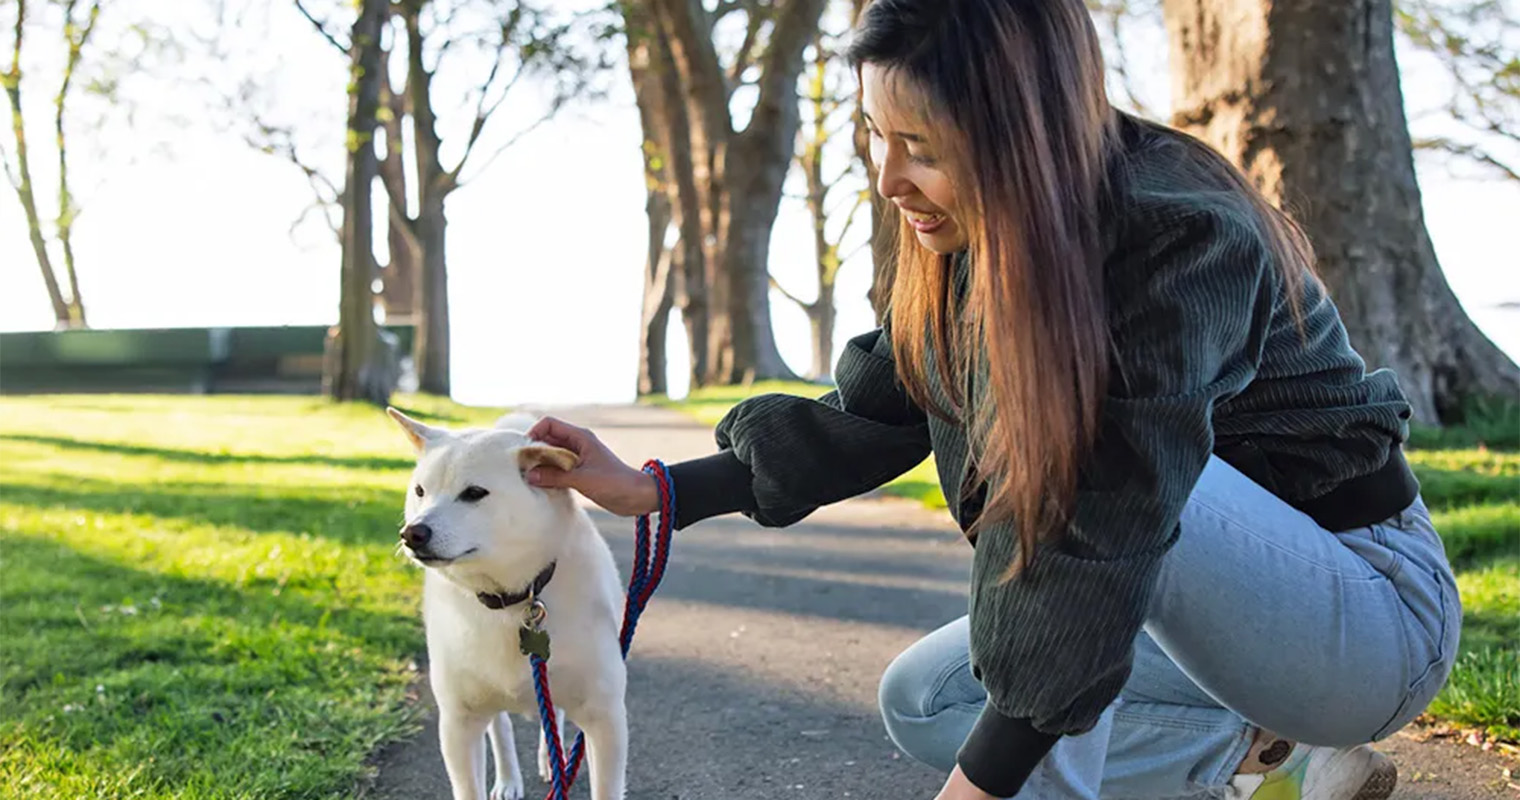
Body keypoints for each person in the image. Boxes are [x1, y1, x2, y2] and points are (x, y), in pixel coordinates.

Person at [523, 1, 1462, 798]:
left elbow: (1099, 531)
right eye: (875, 138)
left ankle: (1309, 718)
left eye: (919, 147)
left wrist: (984, 786)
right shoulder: (971, 235)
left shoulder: (1179, 237)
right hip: (1210, 603)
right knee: (927, 701)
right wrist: (658, 490)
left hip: (1368, 615)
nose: (890, 182)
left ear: (1020, 134)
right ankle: (1255, 746)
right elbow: (882, 405)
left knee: (1071, 493)